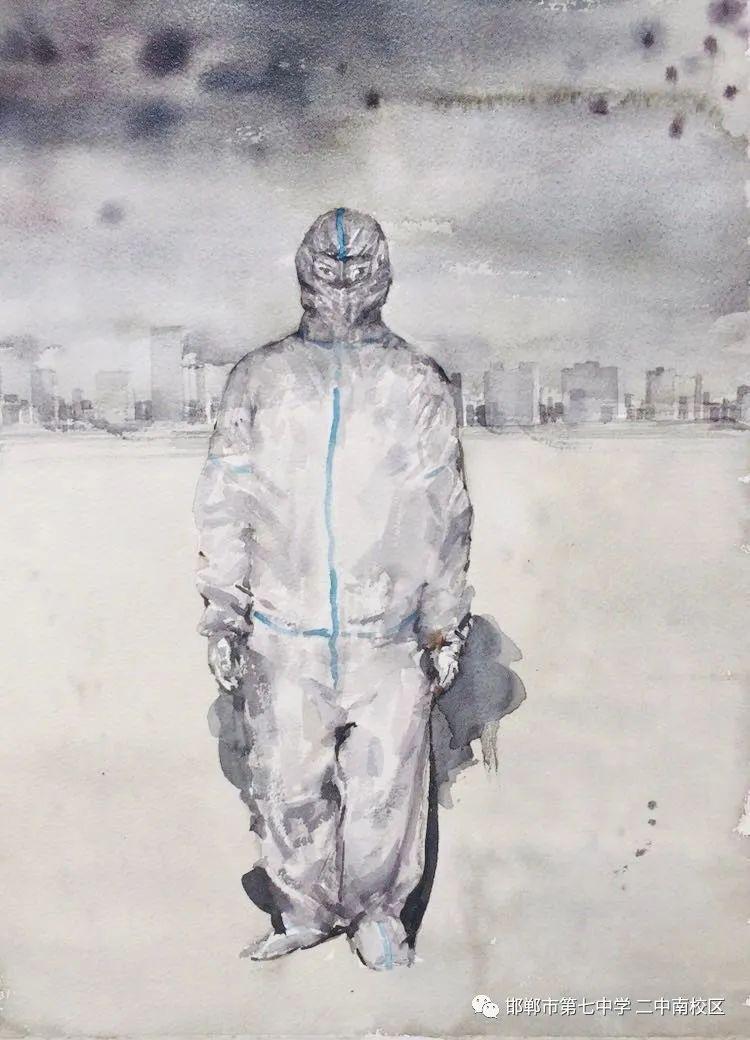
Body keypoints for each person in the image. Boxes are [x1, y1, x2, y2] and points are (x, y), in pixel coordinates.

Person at [194, 207, 473, 970]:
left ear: (381, 272)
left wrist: (443, 622)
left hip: (389, 629)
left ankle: (379, 916)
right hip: (283, 625)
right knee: (288, 782)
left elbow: (445, 510)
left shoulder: (417, 383)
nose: (344, 282)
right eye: (329, 267)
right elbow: (226, 503)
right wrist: (224, 614)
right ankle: (304, 910)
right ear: (304, 270)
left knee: (386, 787)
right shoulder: (260, 379)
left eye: (357, 268)